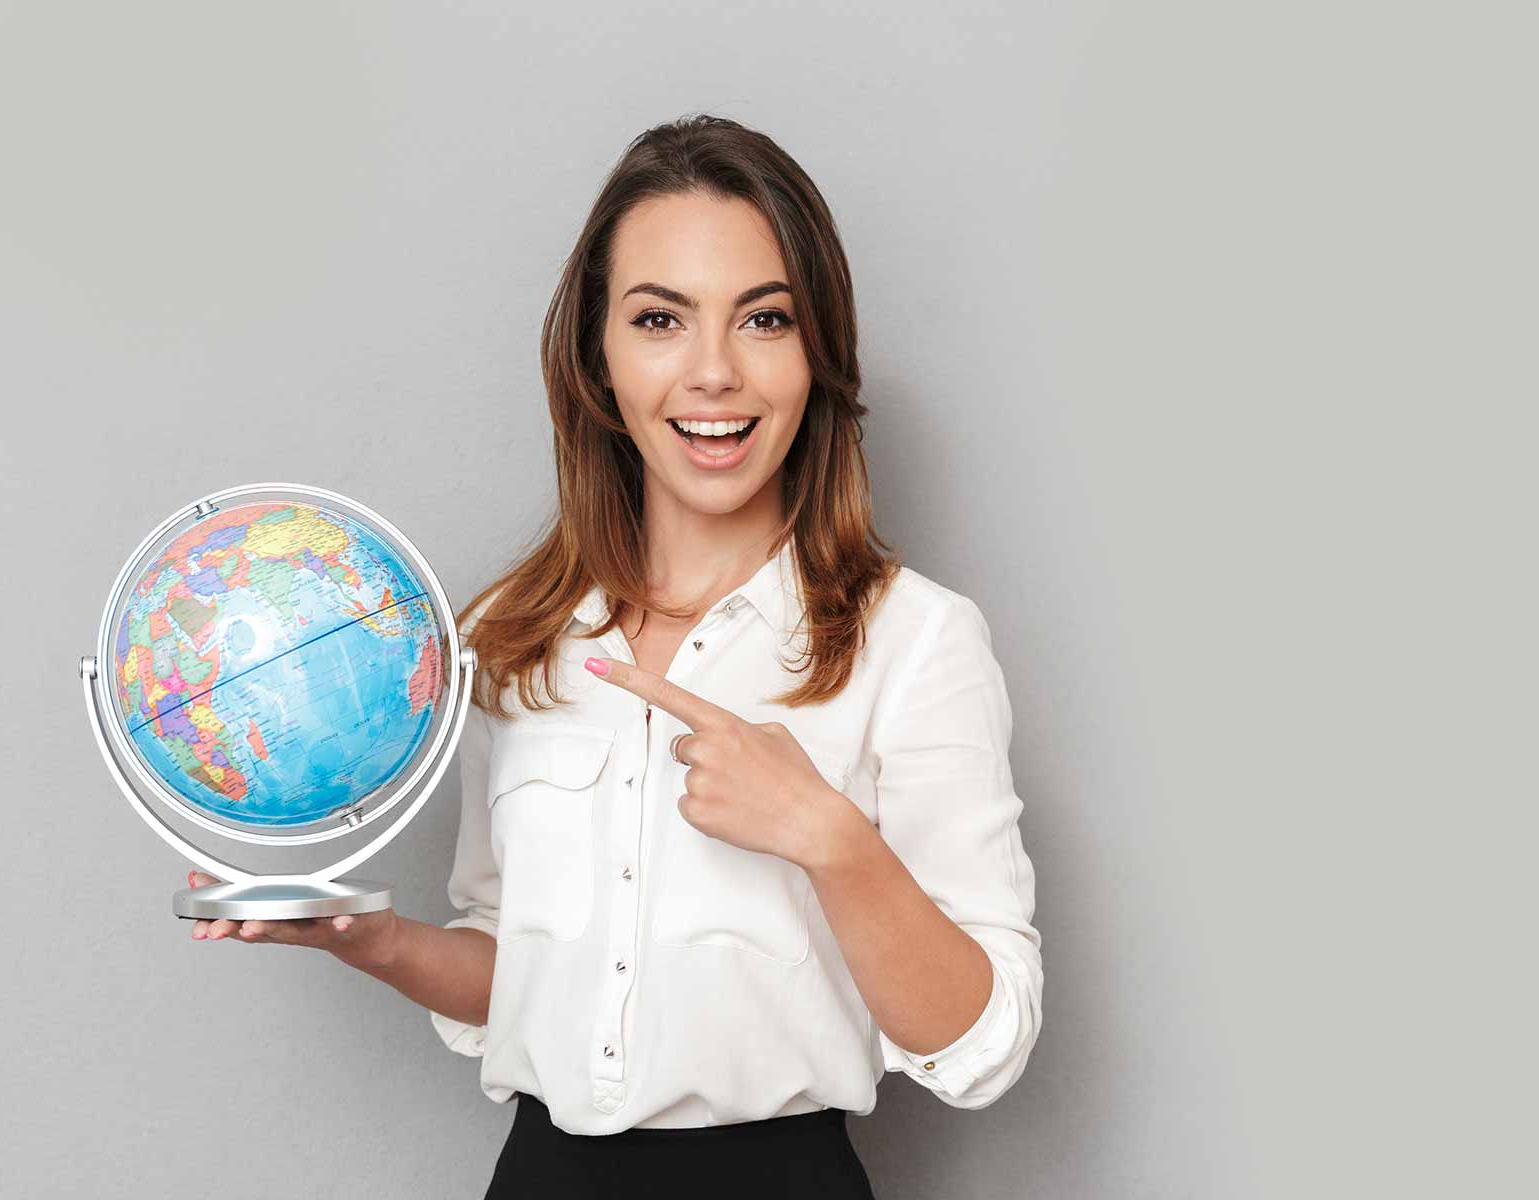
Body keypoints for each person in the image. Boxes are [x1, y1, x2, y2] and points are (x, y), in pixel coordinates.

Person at [182, 114, 1044, 1198]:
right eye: (660, 319)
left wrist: (830, 838)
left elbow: (987, 1042)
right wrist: (378, 942)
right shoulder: (511, 639)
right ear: (598, 354)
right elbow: (522, 975)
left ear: (816, 351)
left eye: (764, 319)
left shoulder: (915, 639)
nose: (715, 372)